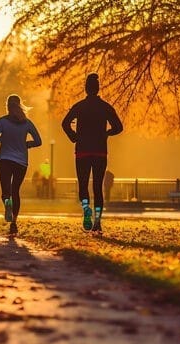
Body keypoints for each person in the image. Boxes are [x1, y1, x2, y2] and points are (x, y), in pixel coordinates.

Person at [61, 73, 123, 232]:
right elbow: (119, 127)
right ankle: (97, 220)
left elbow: (65, 123)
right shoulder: (106, 107)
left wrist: (73, 136)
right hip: (100, 151)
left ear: (86, 88)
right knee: (98, 187)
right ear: (98, 88)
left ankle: (86, 209)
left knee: (83, 185)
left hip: (82, 150)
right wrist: (107, 133)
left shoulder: (79, 106)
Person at [0, 94, 42, 235]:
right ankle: (14, 222)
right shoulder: (27, 123)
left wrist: (3, 137)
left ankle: (7, 203)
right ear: (19, 106)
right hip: (21, 162)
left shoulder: (2, 122)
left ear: (7, 106)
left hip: (4, 159)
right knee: (15, 191)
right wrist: (26, 144)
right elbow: (38, 141)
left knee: (6, 190)